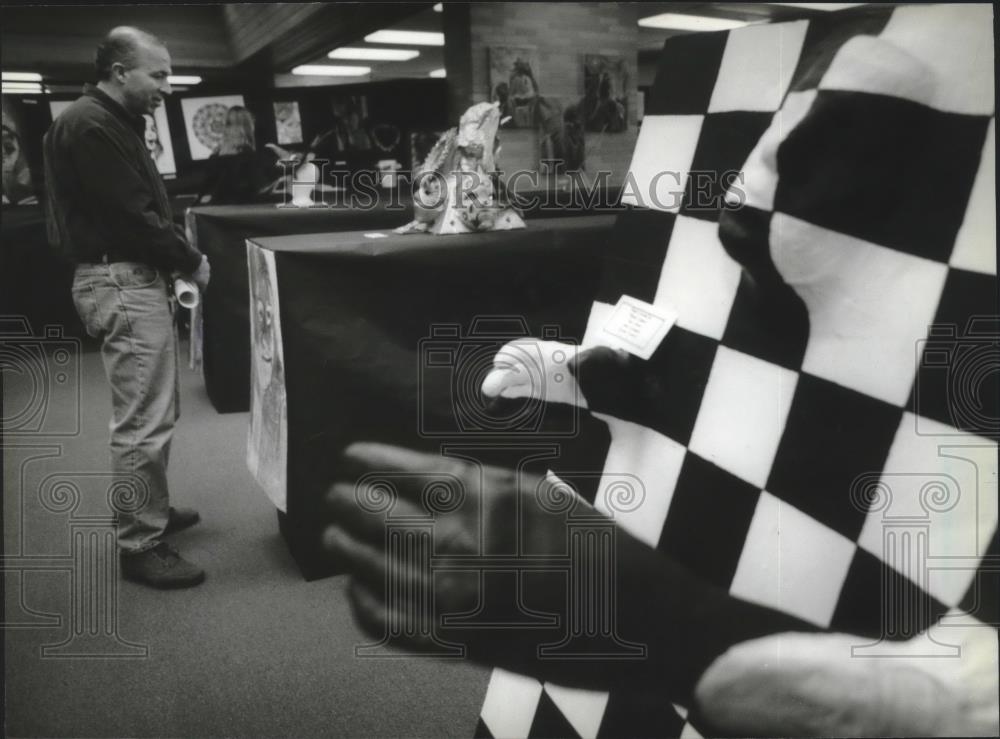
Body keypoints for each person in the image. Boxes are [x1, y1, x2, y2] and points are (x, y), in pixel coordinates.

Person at [43, 26, 210, 589]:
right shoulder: (91, 124)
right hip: (119, 280)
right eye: (158, 74)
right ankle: (140, 541)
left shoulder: (106, 121)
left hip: (124, 278)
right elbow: (131, 218)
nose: (167, 85)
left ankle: (152, 512)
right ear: (120, 71)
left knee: (154, 412)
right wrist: (191, 259)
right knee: (142, 420)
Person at [195, 105, 266, 205]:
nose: (232, 130)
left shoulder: (250, 157)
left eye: (238, 125)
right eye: (229, 124)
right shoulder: (216, 157)